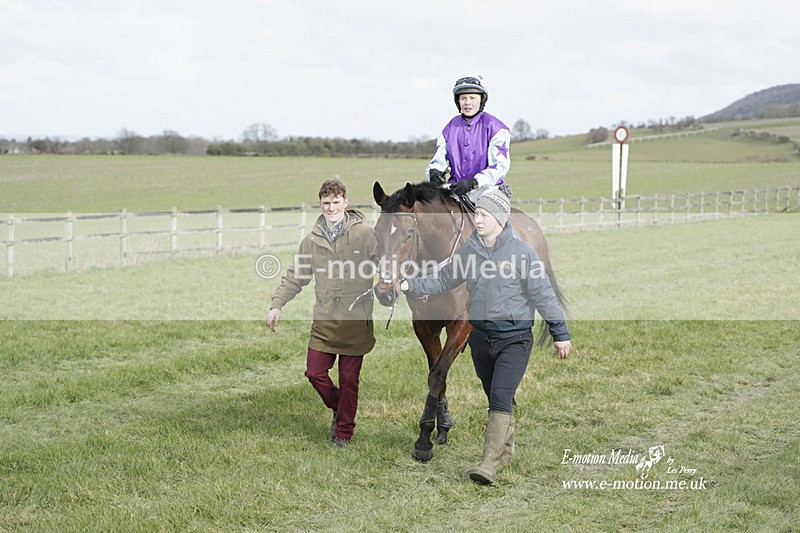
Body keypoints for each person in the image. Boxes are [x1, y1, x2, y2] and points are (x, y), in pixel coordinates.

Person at [400, 188, 571, 484]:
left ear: (499, 219)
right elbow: (445, 277)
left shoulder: (522, 254)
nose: (476, 220)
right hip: (480, 339)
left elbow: (544, 294)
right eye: (476, 214)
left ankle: (488, 463)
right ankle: (505, 450)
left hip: (514, 338)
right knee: (493, 392)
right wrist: (410, 285)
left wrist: (560, 332)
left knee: (501, 397)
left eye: (483, 215)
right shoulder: (470, 250)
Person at [267, 179, 378, 448]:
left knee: (349, 380)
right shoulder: (311, 241)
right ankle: (340, 408)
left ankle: (344, 433)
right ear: (320, 204)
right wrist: (277, 304)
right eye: (326, 203)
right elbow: (295, 277)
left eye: (336, 202)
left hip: (355, 320)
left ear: (345, 203)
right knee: (314, 373)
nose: (331, 207)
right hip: (324, 320)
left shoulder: (365, 234)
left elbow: (386, 264)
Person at [425, 75, 512, 201]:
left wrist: (473, 182)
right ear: (458, 101)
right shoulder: (449, 128)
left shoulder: (497, 128)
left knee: (483, 213)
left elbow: (500, 166)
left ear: (481, 100)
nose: (467, 103)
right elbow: (438, 160)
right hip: (455, 190)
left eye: (472, 98)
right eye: (463, 98)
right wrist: (434, 172)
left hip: (487, 191)